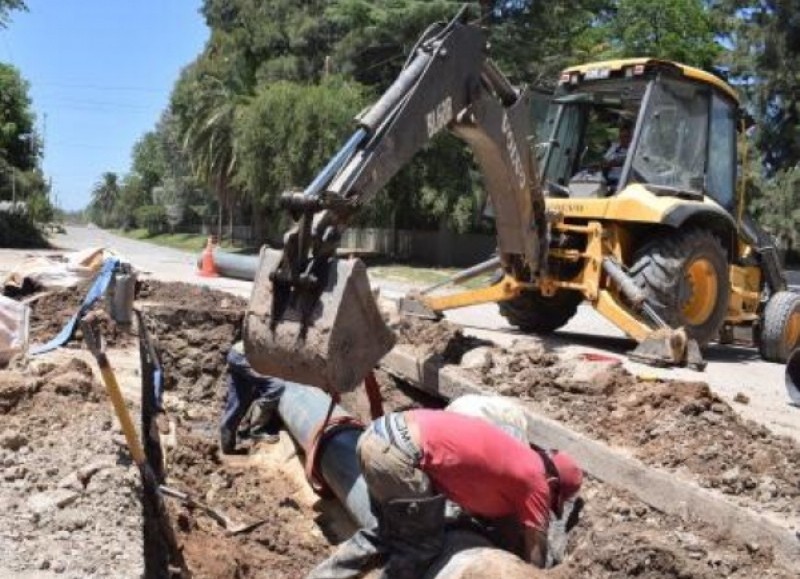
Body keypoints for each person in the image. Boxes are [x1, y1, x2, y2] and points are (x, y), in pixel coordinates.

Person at [310, 409, 582, 578]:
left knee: (387, 533)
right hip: (401, 455)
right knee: (419, 547)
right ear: (553, 482)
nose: (547, 504)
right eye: (552, 500)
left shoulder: (516, 456)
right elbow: (536, 547)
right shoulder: (536, 480)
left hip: (379, 436)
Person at [219, 341, 286, 454]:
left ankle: (227, 446)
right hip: (244, 357)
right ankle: (257, 430)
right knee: (276, 386)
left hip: (237, 353)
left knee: (238, 402)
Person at [601, 120, 633, 191]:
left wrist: (618, 162)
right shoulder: (614, 148)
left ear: (630, 137)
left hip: (626, 182)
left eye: (626, 137)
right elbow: (604, 161)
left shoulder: (634, 150)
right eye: (621, 137)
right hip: (611, 181)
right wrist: (607, 164)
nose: (623, 139)